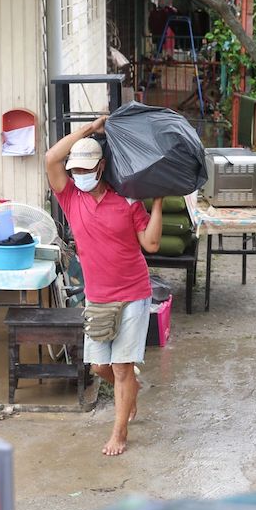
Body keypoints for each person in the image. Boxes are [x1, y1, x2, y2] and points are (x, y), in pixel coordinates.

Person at [45, 116, 164, 456]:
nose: (79, 175)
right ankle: (132, 390)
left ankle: (120, 432)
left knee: (121, 367)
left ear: (101, 167)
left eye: (86, 169)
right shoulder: (70, 198)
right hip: (97, 297)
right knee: (100, 367)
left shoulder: (127, 201)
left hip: (132, 294)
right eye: (75, 170)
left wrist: (157, 203)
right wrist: (89, 129)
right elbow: (50, 158)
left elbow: (152, 244)